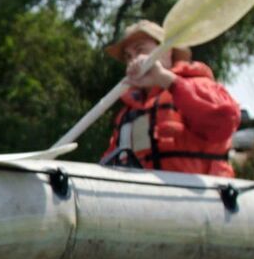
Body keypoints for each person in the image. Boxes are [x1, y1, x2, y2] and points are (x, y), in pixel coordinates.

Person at [100, 20, 241, 176]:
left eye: (140, 50)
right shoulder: (128, 112)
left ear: (167, 51)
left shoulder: (200, 86)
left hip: (199, 196)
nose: (134, 60)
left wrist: (165, 79)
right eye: (128, 56)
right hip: (143, 197)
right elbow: (111, 160)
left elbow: (226, 120)